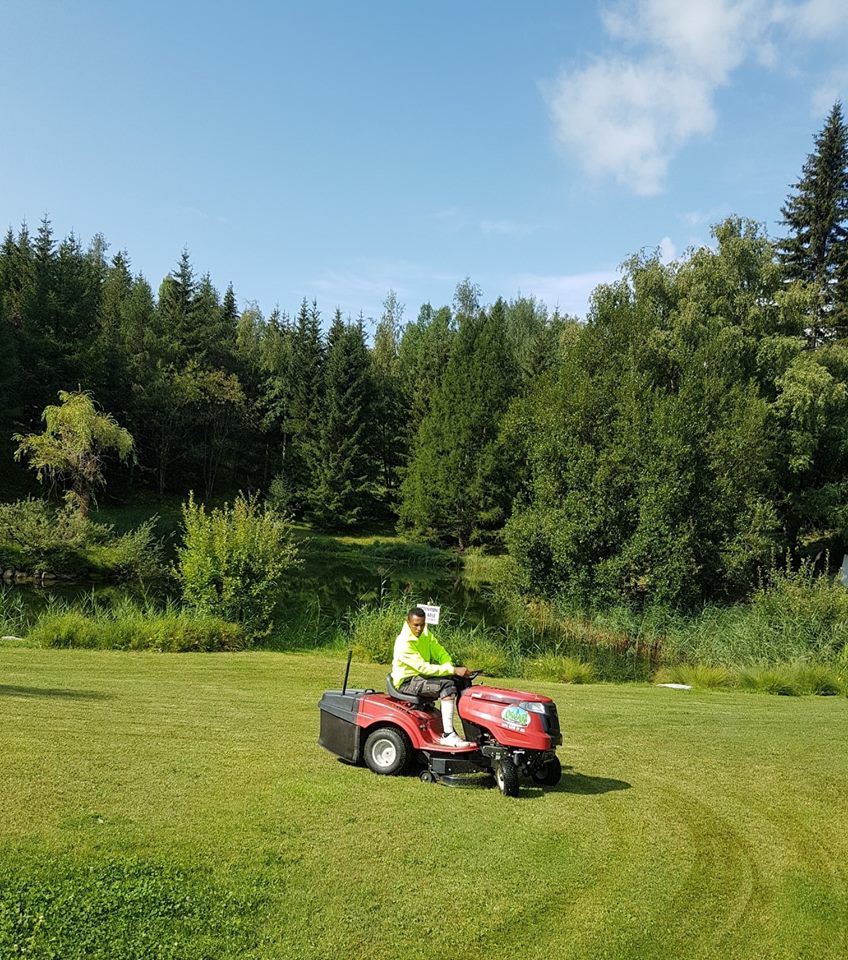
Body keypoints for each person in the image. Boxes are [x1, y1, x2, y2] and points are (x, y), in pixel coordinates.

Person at [390, 606, 473, 748]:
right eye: (416, 625)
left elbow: (440, 652)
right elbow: (423, 668)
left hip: (421, 678)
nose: (419, 629)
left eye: (422, 625)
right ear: (408, 622)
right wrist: (452, 670)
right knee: (447, 686)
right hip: (407, 682)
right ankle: (448, 735)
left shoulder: (425, 634)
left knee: (461, 681)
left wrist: (449, 666)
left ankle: (472, 734)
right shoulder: (404, 642)